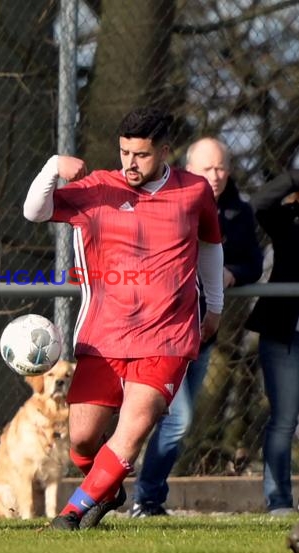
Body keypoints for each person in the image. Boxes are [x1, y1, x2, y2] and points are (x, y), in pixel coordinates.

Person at [23, 107, 224, 530]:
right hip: (104, 336)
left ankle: (71, 515)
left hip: (167, 336)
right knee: (81, 440)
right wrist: (52, 167)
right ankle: (107, 488)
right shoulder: (98, 186)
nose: (130, 164)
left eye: (141, 155)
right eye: (124, 153)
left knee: (131, 432)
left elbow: (210, 246)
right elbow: (34, 211)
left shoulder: (194, 191)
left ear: (166, 151)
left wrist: (216, 307)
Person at [131, 137, 263, 517]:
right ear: (190, 168)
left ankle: (146, 497)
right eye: (207, 168)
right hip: (164, 332)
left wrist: (231, 273)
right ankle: (145, 496)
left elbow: (251, 261)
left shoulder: (237, 211)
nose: (216, 176)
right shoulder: (171, 200)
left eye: (221, 167)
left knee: (173, 423)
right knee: (178, 420)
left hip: (203, 334)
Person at [245, 170, 299, 517]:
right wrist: (294, 177)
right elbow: (256, 205)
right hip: (283, 334)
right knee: (284, 419)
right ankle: (279, 501)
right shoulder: (287, 219)